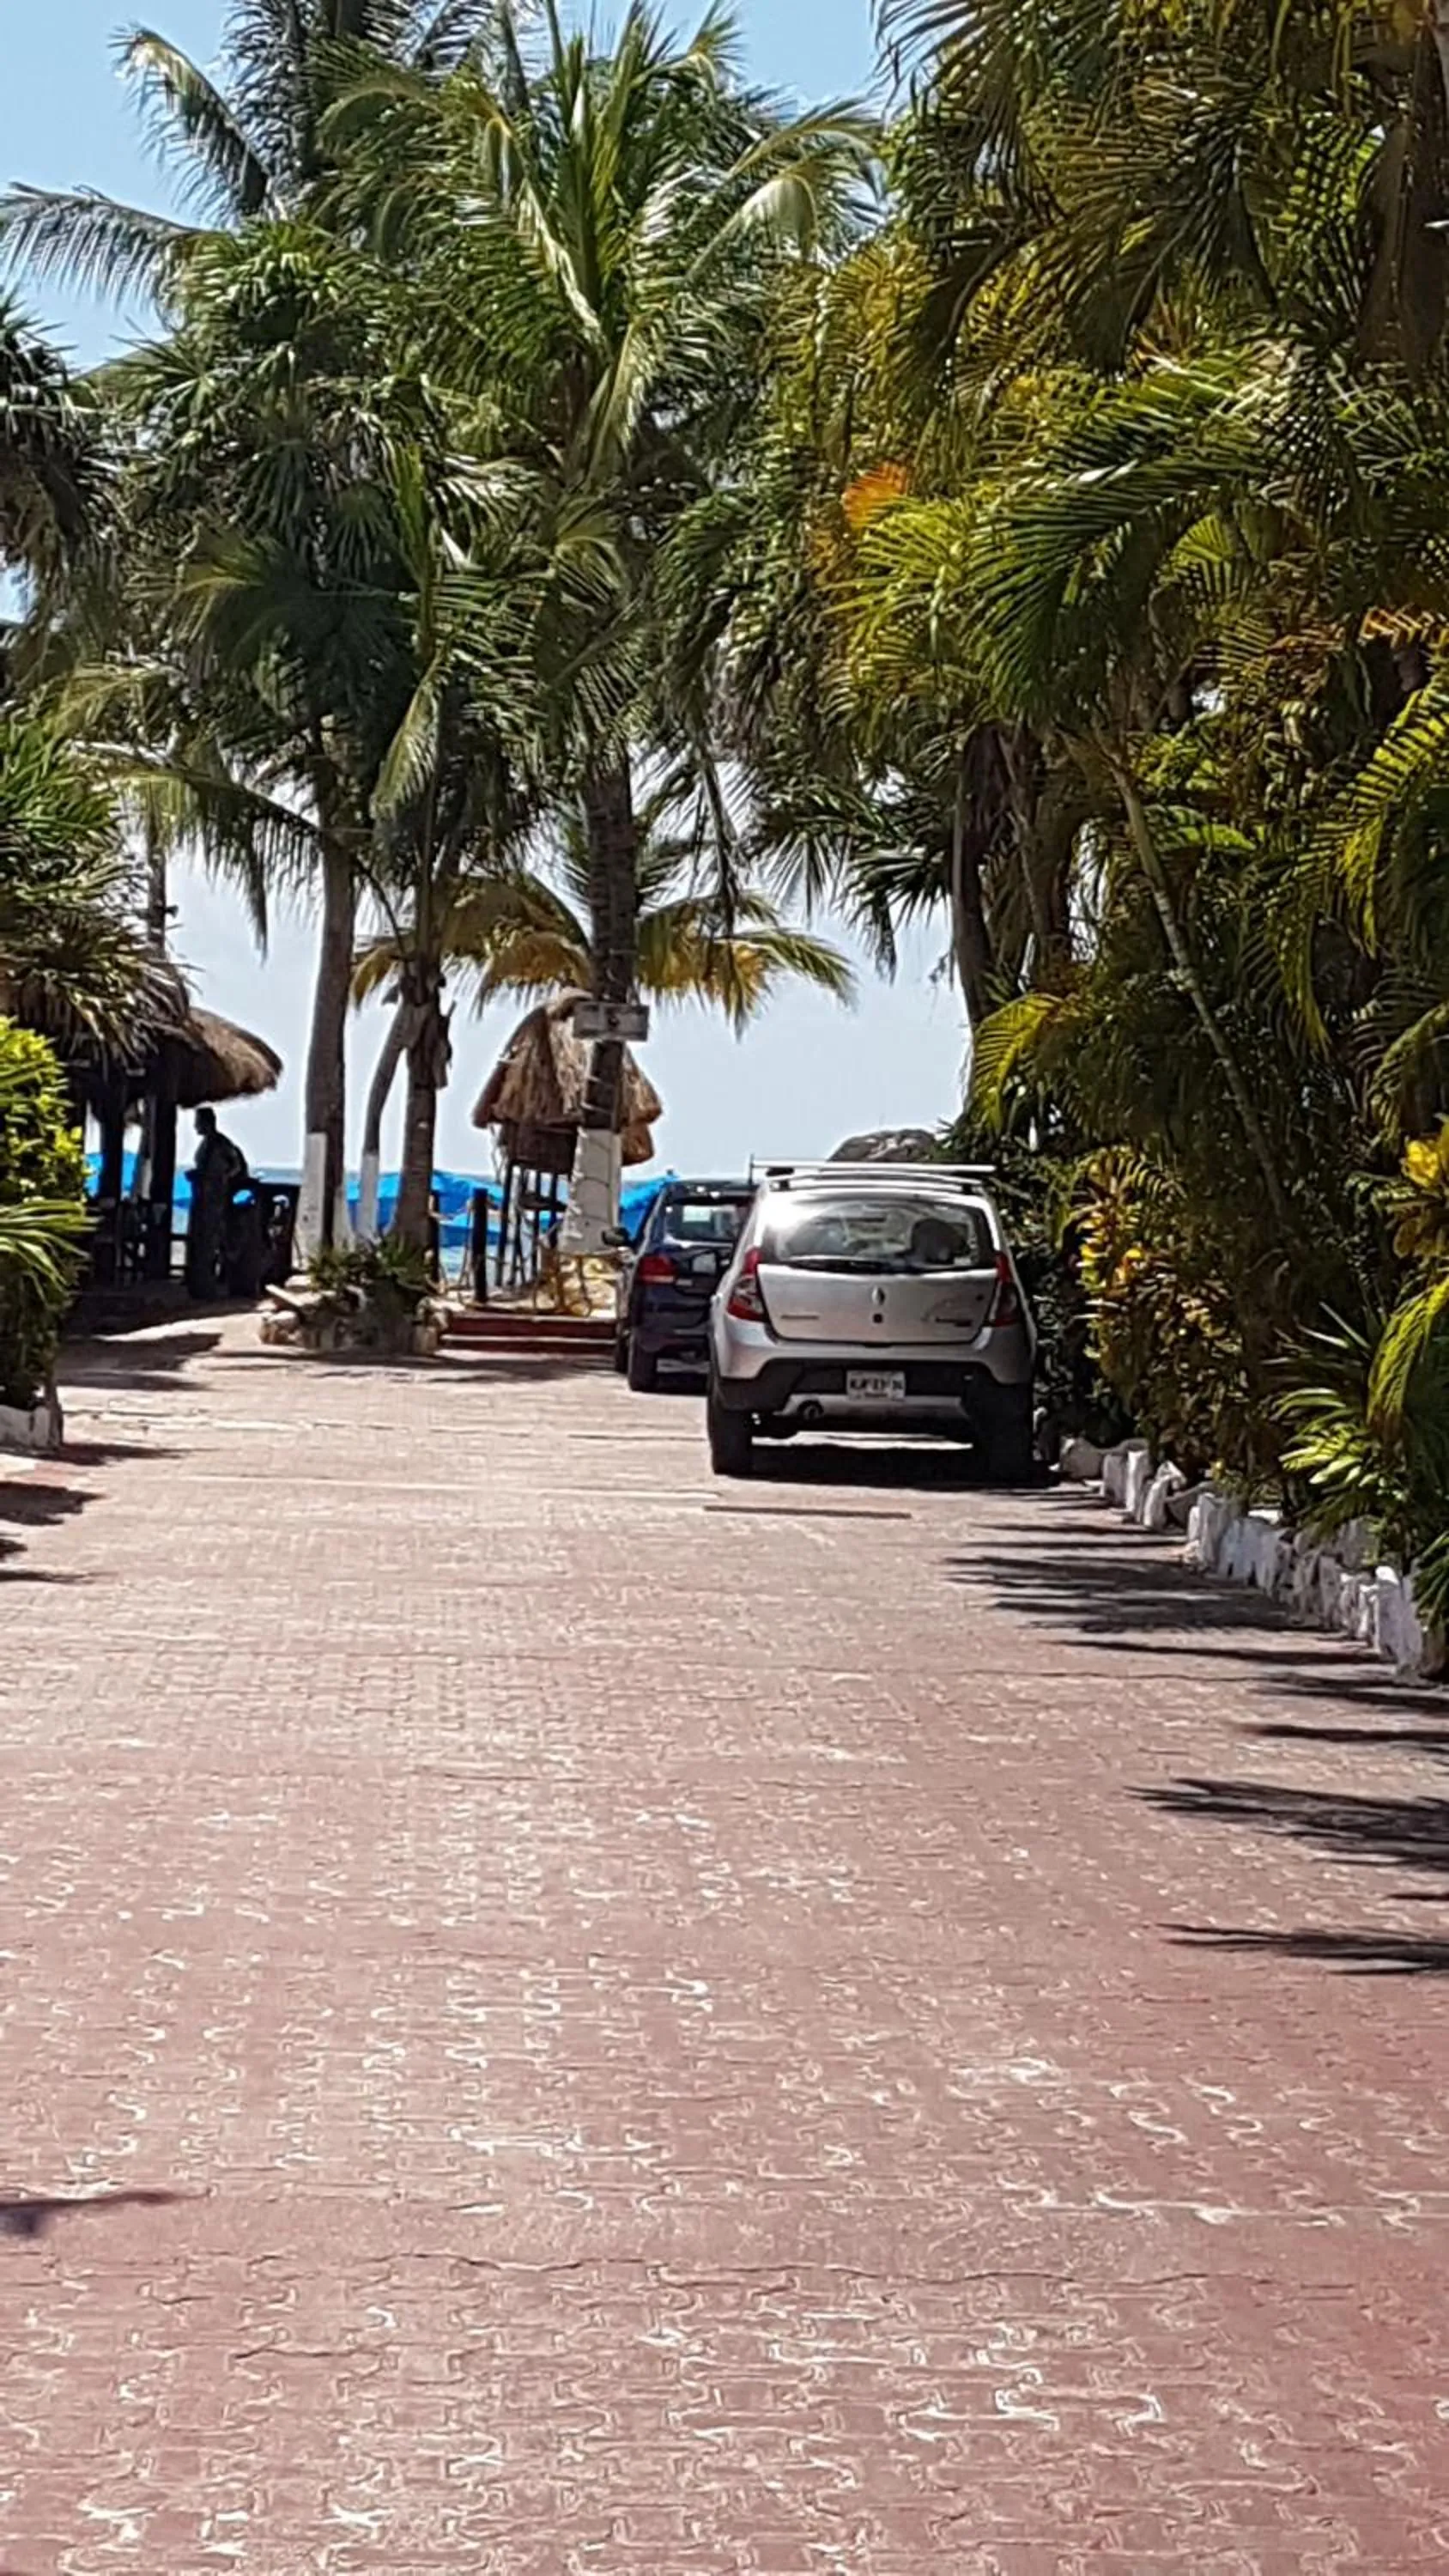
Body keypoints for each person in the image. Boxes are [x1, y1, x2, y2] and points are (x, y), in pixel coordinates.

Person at [185, 1107, 249, 1301]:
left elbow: (236, 1166)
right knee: (200, 1239)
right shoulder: (208, 1143)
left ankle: (208, 1285)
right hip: (204, 1197)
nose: (196, 1126)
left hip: (215, 1199)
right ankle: (199, 1283)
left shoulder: (220, 1143)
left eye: (198, 1122)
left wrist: (219, 1180)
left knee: (210, 1240)